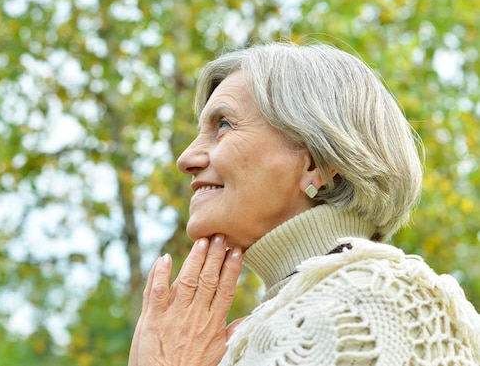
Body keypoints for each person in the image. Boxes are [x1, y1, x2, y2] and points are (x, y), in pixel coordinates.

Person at [128, 42, 480, 365]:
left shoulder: (386, 304)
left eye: (223, 124)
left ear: (316, 164)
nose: (186, 158)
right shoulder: (258, 329)